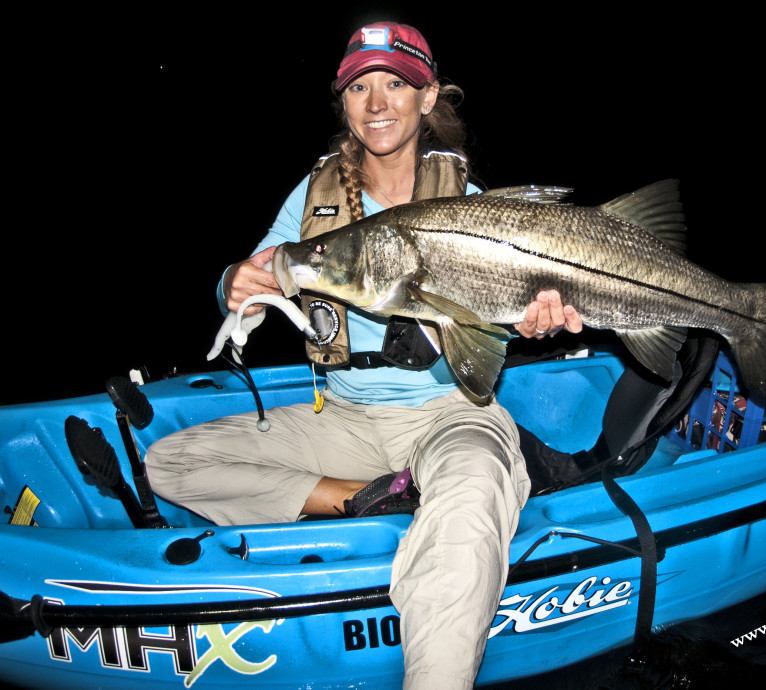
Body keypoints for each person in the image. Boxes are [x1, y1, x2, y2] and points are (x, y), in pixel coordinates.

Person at [145, 21, 581, 689]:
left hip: (449, 412)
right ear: (343, 103)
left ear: (428, 97)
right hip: (344, 419)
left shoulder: (469, 209)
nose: (377, 102)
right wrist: (235, 283)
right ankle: (363, 500)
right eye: (359, 87)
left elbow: (516, 317)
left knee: (469, 502)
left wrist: (542, 321)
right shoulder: (313, 199)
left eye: (396, 84)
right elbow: (257, 270)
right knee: (169, 460)